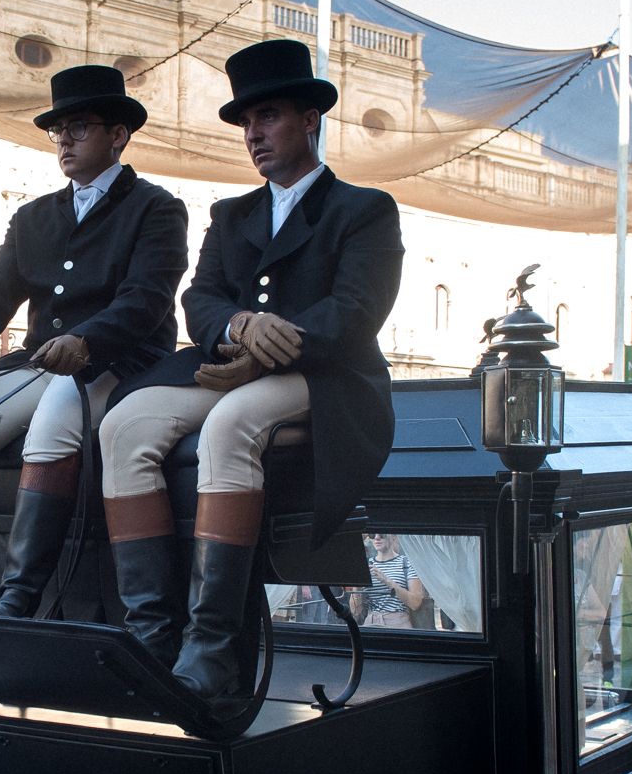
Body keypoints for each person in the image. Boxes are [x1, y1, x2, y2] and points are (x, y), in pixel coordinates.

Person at [96, 38, 404, 701]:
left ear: (309, 120)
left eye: (268, 116)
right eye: (245, 121)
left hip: (328, 377)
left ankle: (211, 648)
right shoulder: (231, 214)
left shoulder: (364, 209)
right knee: (123, 425)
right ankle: (152, 632)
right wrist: (238, 326)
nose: (253, 134)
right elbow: (200, 298)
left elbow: (356, 311)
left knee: (231, 424)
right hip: (231, 365)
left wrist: (268, 343)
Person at [0, 63, 191, 616]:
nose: (64, 139)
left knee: (52, 425)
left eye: (78, 127)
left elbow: (147, 299)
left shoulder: (156, 208)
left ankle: (17, 601)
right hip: (39, 363)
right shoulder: (33, 217)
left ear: (118, 135)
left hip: (118, 360)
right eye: (58, 129)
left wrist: (87, 341)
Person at [354, 533, 423, 629]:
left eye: (382, 534)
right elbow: (355, 611)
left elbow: (415, 603)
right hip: (370, 623)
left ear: (393, 537)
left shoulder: (407, 563)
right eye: (372, 534)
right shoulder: (366, 565)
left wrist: (386, 580)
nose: (377, 538)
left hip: (398, 623)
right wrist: (356, 584)